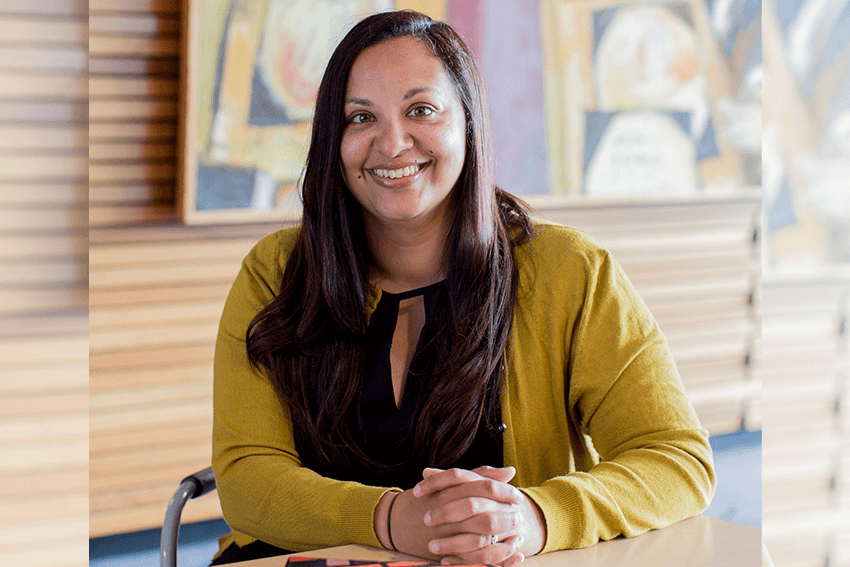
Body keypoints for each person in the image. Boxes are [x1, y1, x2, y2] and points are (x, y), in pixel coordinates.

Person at [211, 10, 715, 566]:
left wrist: (535, 517)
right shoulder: (275, 272)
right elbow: (246, 476)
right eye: (361, 117)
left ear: (468, 123)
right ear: (335, 139)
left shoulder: (570, 271)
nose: (392, 143)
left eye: (421, 110)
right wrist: (391, 519)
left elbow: (676, 458)